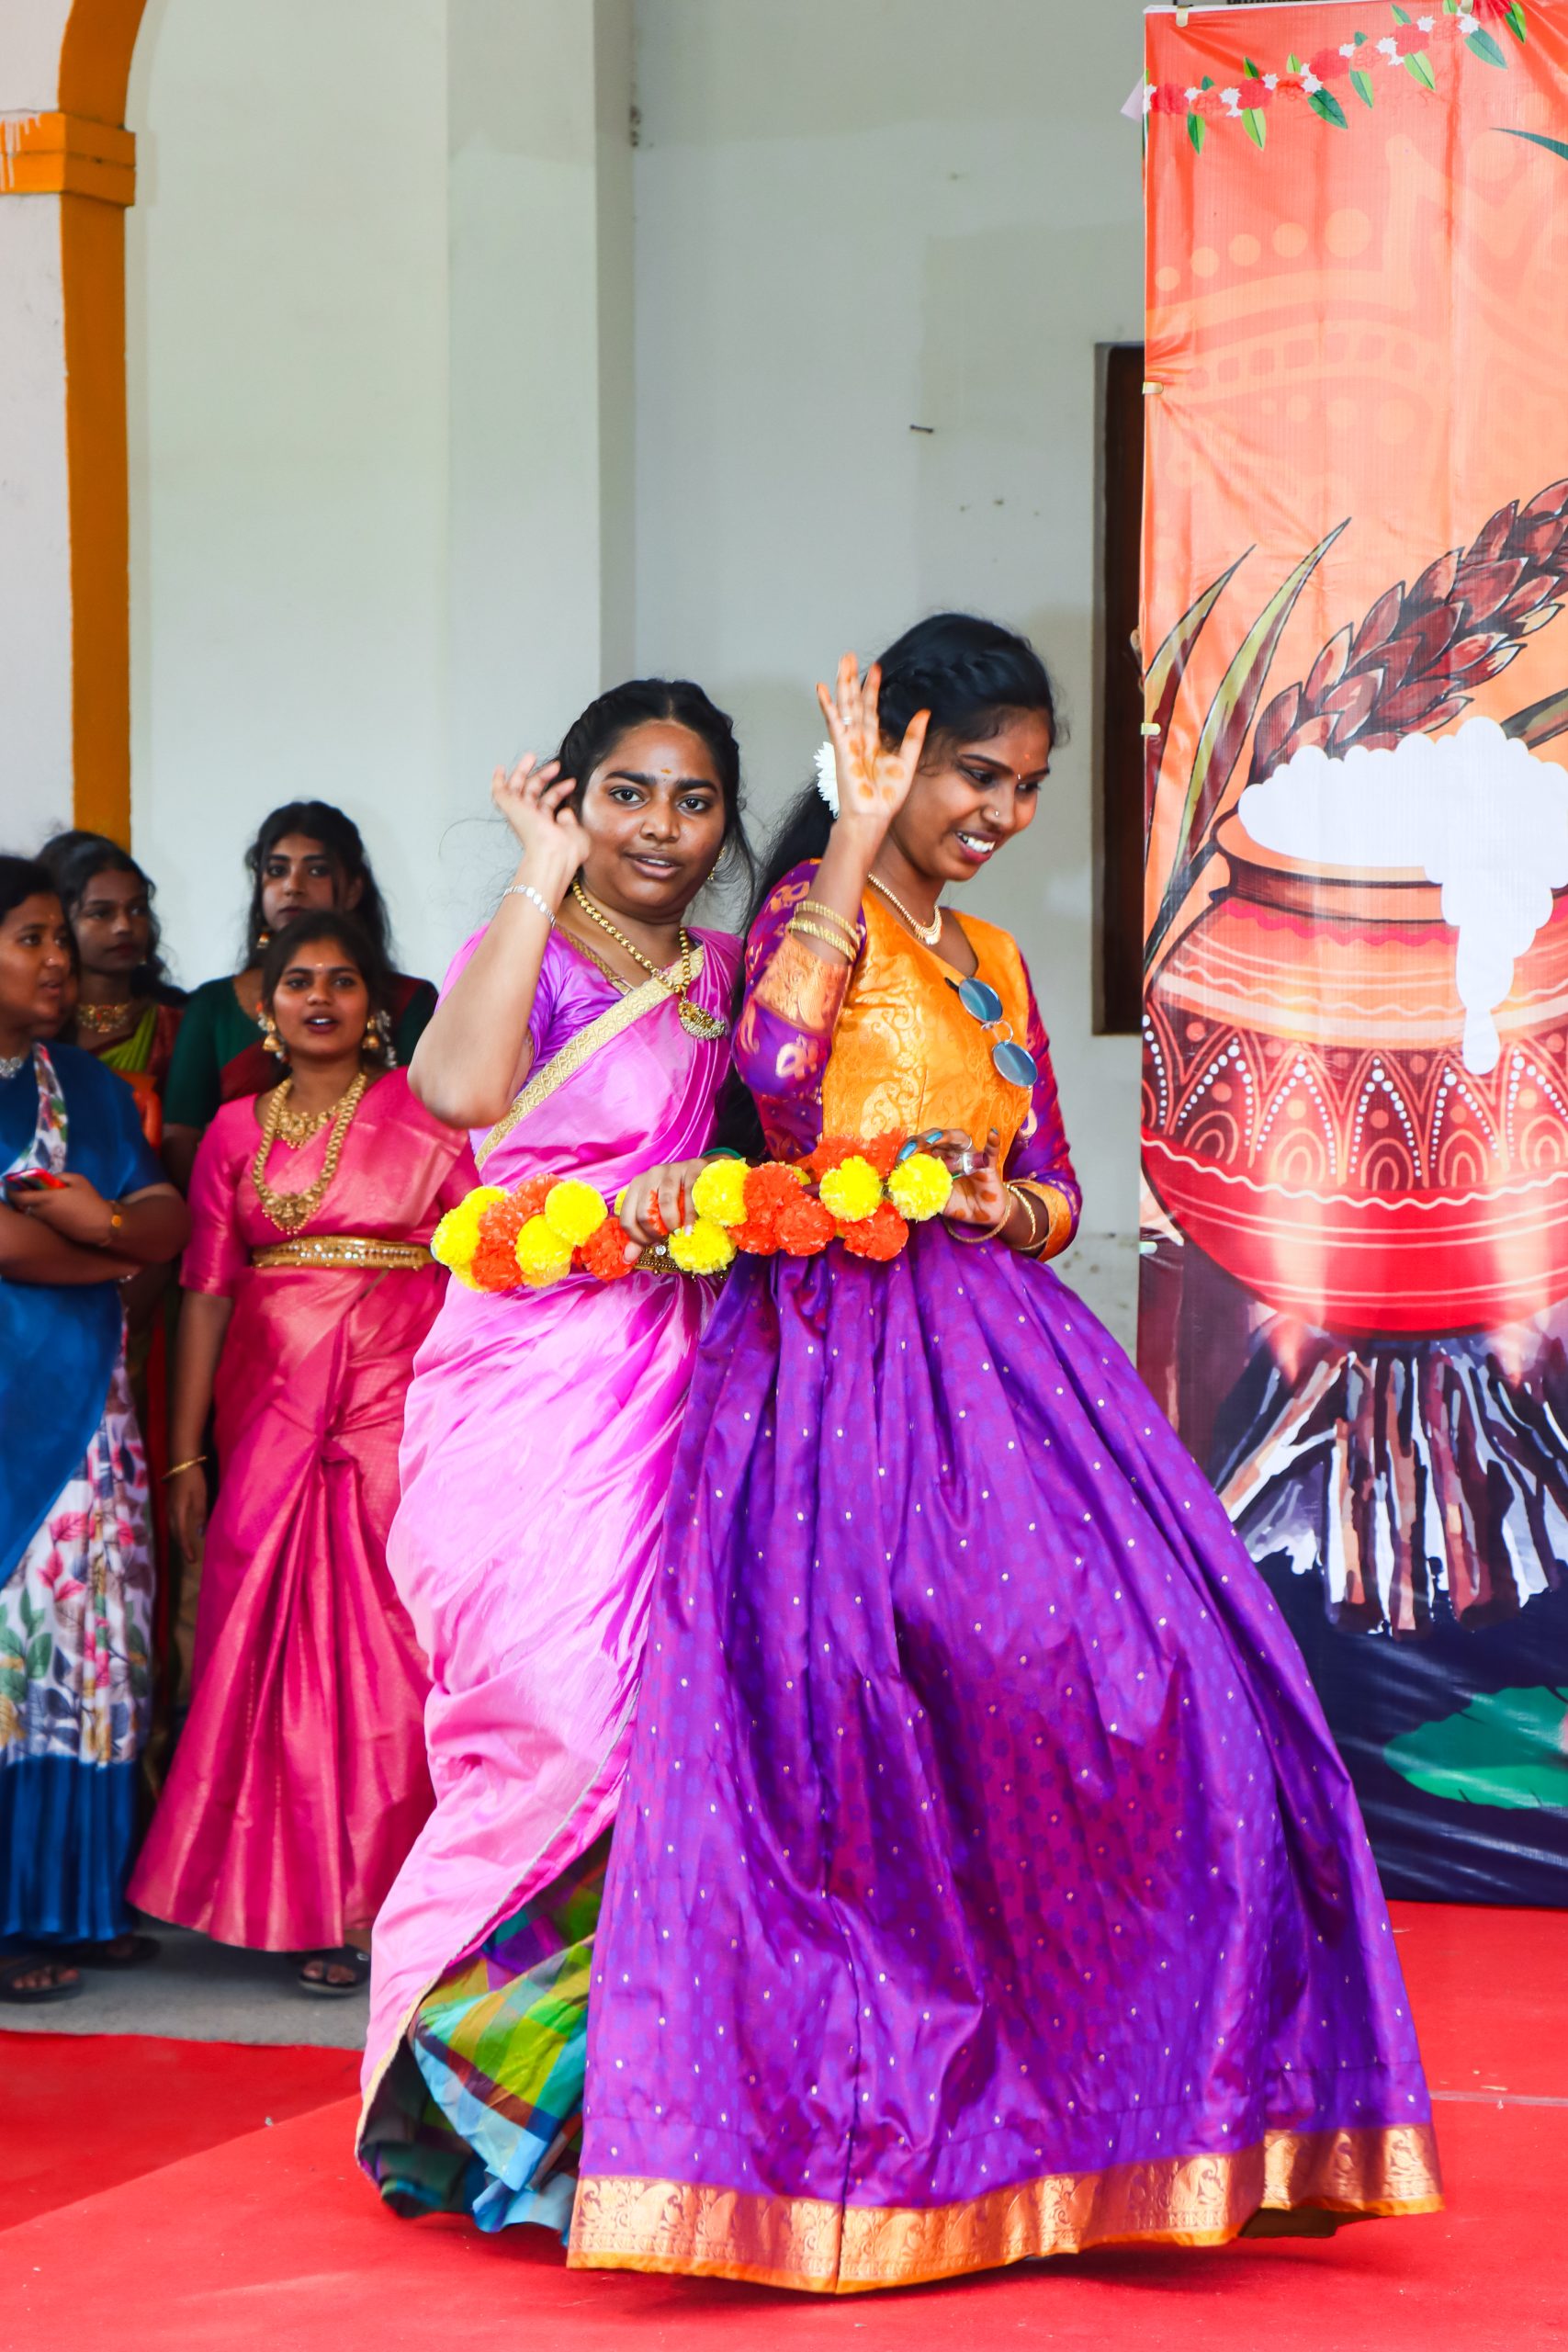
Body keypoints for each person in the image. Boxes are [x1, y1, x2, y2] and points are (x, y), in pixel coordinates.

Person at [566, 618, 1442, 2290]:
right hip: (838, 1376)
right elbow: (782, 1082)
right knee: (898, 1728)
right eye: (976, 774)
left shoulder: (987, 955)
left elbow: (1053, 1186)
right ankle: (906, 2146)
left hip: (1009, 1369)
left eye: (1026, 787)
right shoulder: (808, 918)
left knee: (1181, 1694)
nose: (1001, 813)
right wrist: (845, 842)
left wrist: (991, 1198)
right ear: (891, 753)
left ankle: (1135, 2120)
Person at [356, 678, 751, 2230]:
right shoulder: (525, 942)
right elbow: (457, 1094)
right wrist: (535, 869)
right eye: (627, 795)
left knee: (666, 1742)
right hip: (524, 1384)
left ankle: (586, 2125)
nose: (661, 829)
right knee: (557, 1736)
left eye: (693, 801)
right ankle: (439, 2090)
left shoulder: (724, 977)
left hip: (682, 1379)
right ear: (575, 801)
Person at [129, 912, 473, 1992]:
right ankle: (292, 1899)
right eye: (297, 982)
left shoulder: (431, 1111)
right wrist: (184, 1456)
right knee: (258, 1643)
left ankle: (388, 1902)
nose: (319, 997)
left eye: (342, 980)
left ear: (376, 1007)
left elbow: (480, 1269)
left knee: (389, 1644)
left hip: (394, 1401)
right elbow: (203, 1293)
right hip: (266, 1412)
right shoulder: (235, 1129)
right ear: (266, 1009)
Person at [0, 857, 188, 2006]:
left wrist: (103, 1221)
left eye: (58, 940)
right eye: (31, 938)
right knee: (13, 1655)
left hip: (92, 1409)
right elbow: (8, 1246)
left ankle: (75, 1898)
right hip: (15, 1401)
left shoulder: (85, 1085)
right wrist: (108, 1250)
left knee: (90, 1646)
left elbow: (165, 1218)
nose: (59, 960)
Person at [161, 802, 436, 1190]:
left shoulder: (408, 1000)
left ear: (354, 889)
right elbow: (181, 1138)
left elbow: (428, 1131)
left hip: (387, 1199)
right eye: (276, 871)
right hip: (244, 1203)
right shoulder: (212, 1006)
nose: (293, 886)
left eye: (317, 870)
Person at [37, 832, 186, 1148]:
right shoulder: (37, 1028)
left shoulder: (176, 1025)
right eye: (101, 913)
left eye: (137, 910)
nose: (124, 926)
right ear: (63, 926)